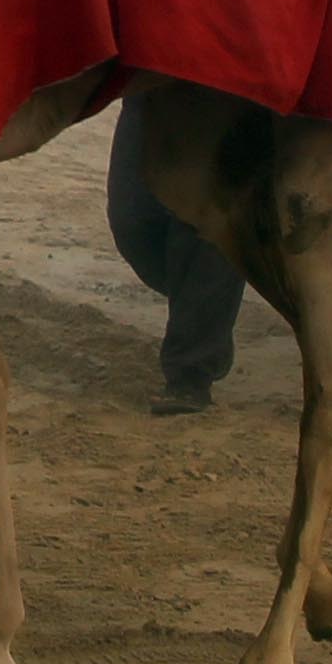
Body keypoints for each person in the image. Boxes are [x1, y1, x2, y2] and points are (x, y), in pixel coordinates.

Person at [105, 78, 250, 414]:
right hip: (151, 80)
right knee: (131, 220)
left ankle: (191, 374)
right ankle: (207, 307)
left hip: (225, 85)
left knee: (203, 226)